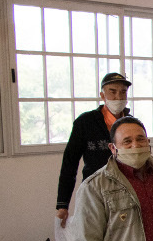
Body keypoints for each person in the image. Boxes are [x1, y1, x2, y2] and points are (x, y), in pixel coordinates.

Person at [56, 73, 132, 227]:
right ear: (102, 95)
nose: (118, 97)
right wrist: (63, 204)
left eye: (123, 92)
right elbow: (70, 163)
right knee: (93, 235)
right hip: (95, 193)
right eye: (113, 91)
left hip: (126, 193)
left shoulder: (132, 123)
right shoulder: (85, 122)